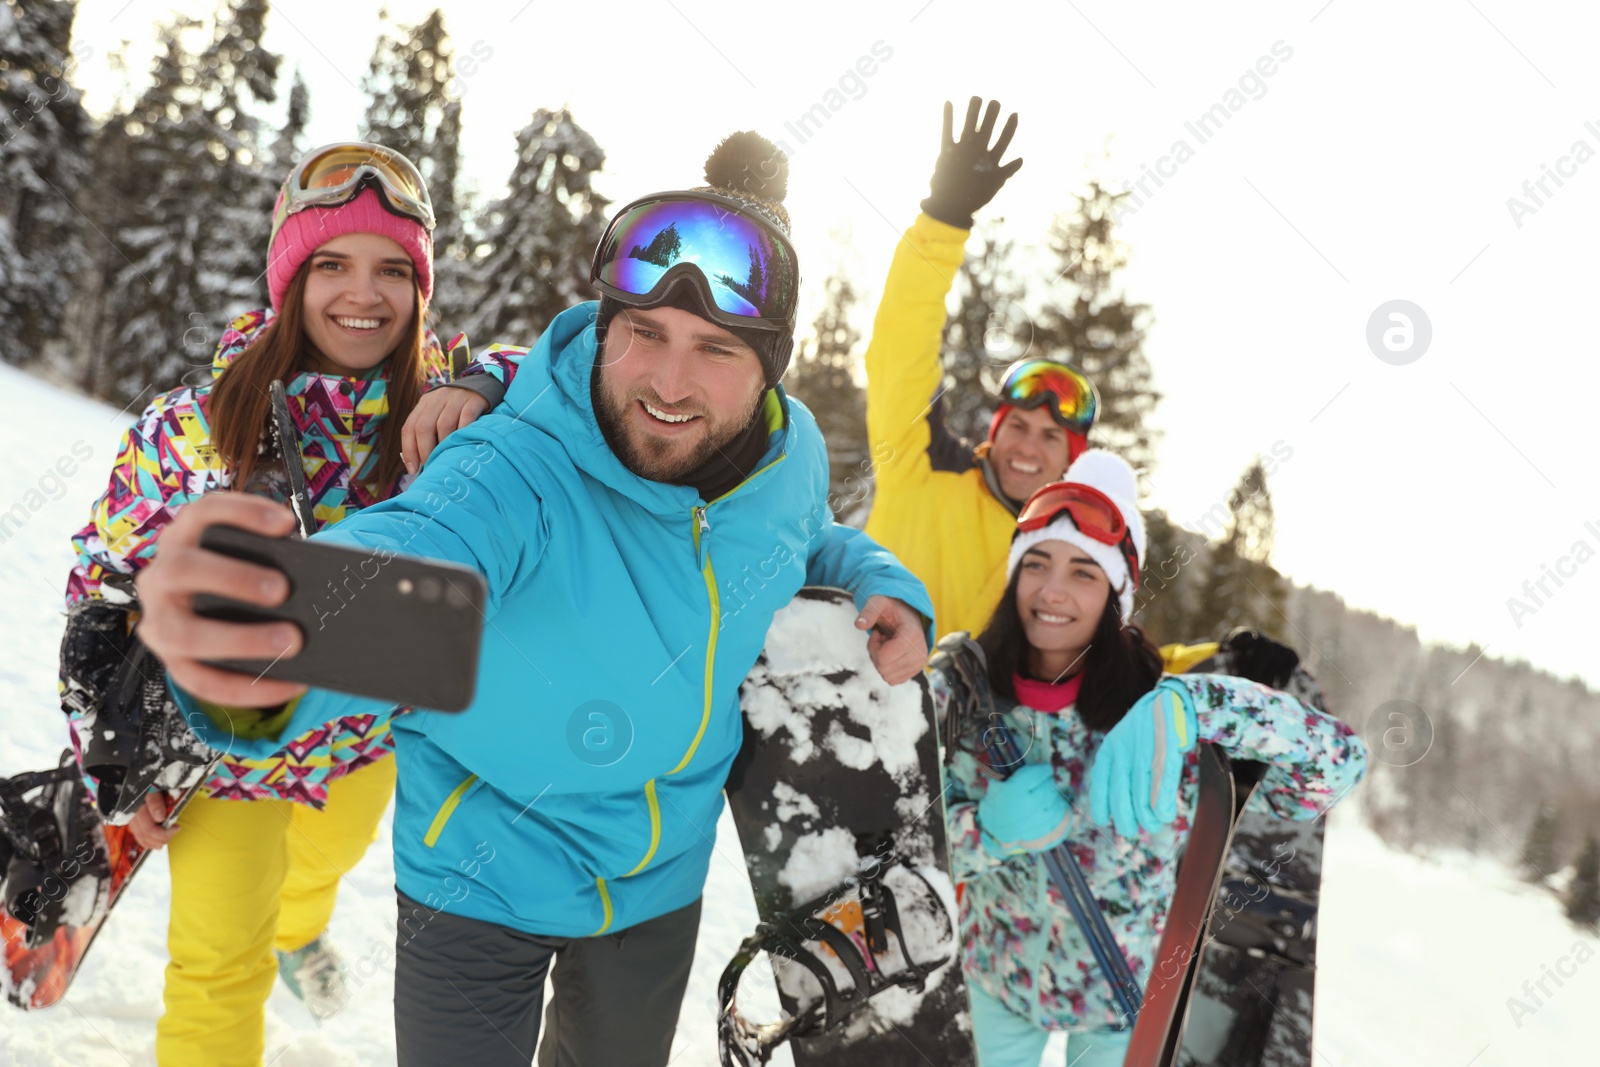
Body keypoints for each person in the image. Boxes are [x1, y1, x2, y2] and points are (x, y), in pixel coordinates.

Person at [130, 131, 935, 1067]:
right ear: (604, 325)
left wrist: (878, 578)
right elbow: (424, 548)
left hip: (657, 881)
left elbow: (806, 536)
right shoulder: (516, 462)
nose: (669, 383)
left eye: (715, 348)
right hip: (477, 873)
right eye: (643, 334)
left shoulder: (788, 450)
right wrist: (275, 631)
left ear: (770, 370)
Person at [57, 142, 522, 1065]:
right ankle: (267, 938)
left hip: (364, 744)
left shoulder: (450, 416)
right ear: (290, 278)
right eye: (333, 265)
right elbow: (104, 585)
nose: (365, 292)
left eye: (394, 268)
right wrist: (113, 761)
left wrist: (487, 379)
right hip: (218, 750)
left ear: (422, 288)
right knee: (213, 963)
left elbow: (567, 373)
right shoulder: (193, 428)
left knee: (317, 867)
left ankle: (299, 925)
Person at [927, 449, 1368, 1067]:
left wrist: (1204, 704)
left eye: (1084, 572)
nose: (1052, 590)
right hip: (992, 985)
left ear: (1117, 595)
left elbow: (1339, 765)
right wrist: (985, 834)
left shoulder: (1162, 720)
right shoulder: (966, 697)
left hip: (1122, 1010)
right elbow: (903, 855)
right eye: (1037, 564)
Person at [863, 96, 1101, 639]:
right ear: (994, 430)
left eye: (1050, 436)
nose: (1027, 447)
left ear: (1073, 457)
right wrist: (943, 220)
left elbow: (1115, 663)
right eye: (1017, 425)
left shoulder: (1065, 557)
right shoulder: (922, 465)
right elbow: (901, 344)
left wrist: (1217, 658)